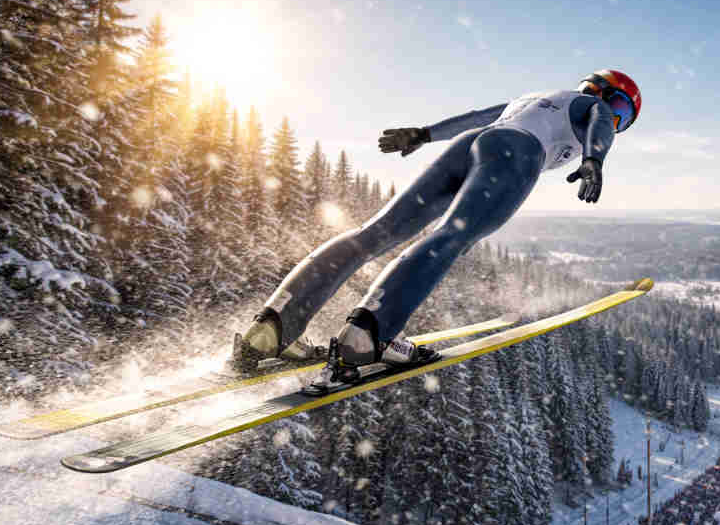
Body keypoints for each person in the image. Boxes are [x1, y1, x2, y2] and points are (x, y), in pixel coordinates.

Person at [232, 70, 642, 384]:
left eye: (623, 118)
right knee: (451, 238)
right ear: (601, 91)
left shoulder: (535, 99)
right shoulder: (596, 109)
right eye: (623, 111)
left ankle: (270, 329)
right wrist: (595, 158)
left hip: (469, 144)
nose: (615, 120)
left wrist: (424, 134)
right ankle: (367, 339)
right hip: (515, 155)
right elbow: (600, 119)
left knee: (375, 233)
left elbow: (476, 118)